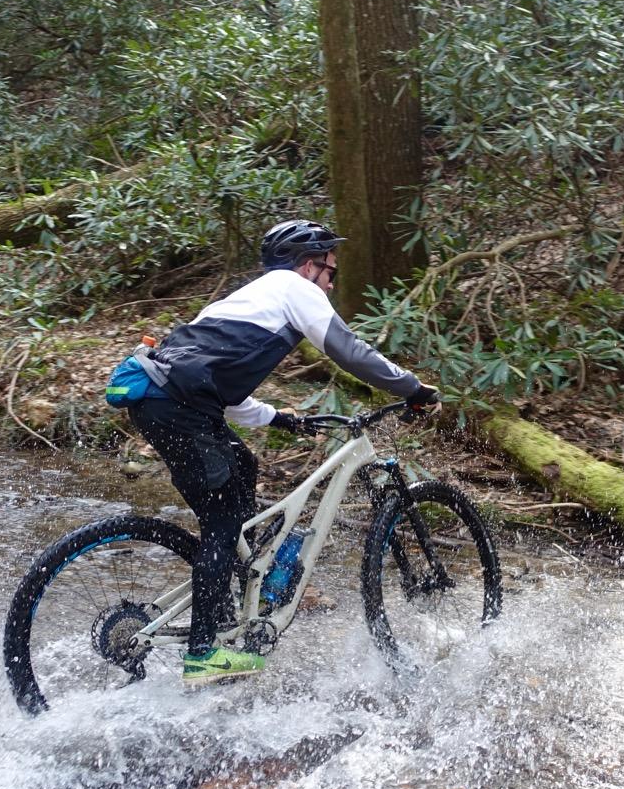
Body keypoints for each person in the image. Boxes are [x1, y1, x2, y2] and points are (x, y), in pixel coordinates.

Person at [121, 219, 440, 687]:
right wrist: (413, 388)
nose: (331, 282)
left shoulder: (243, 299)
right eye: (331, 272)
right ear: (309, 265)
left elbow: (217, 386)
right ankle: (204, 653)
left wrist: (279, 417)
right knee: (223, 520)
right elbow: (347, 350)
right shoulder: (294, 287)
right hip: (178, 406)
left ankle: (226, 598)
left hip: (165, 400)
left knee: (240, 473)